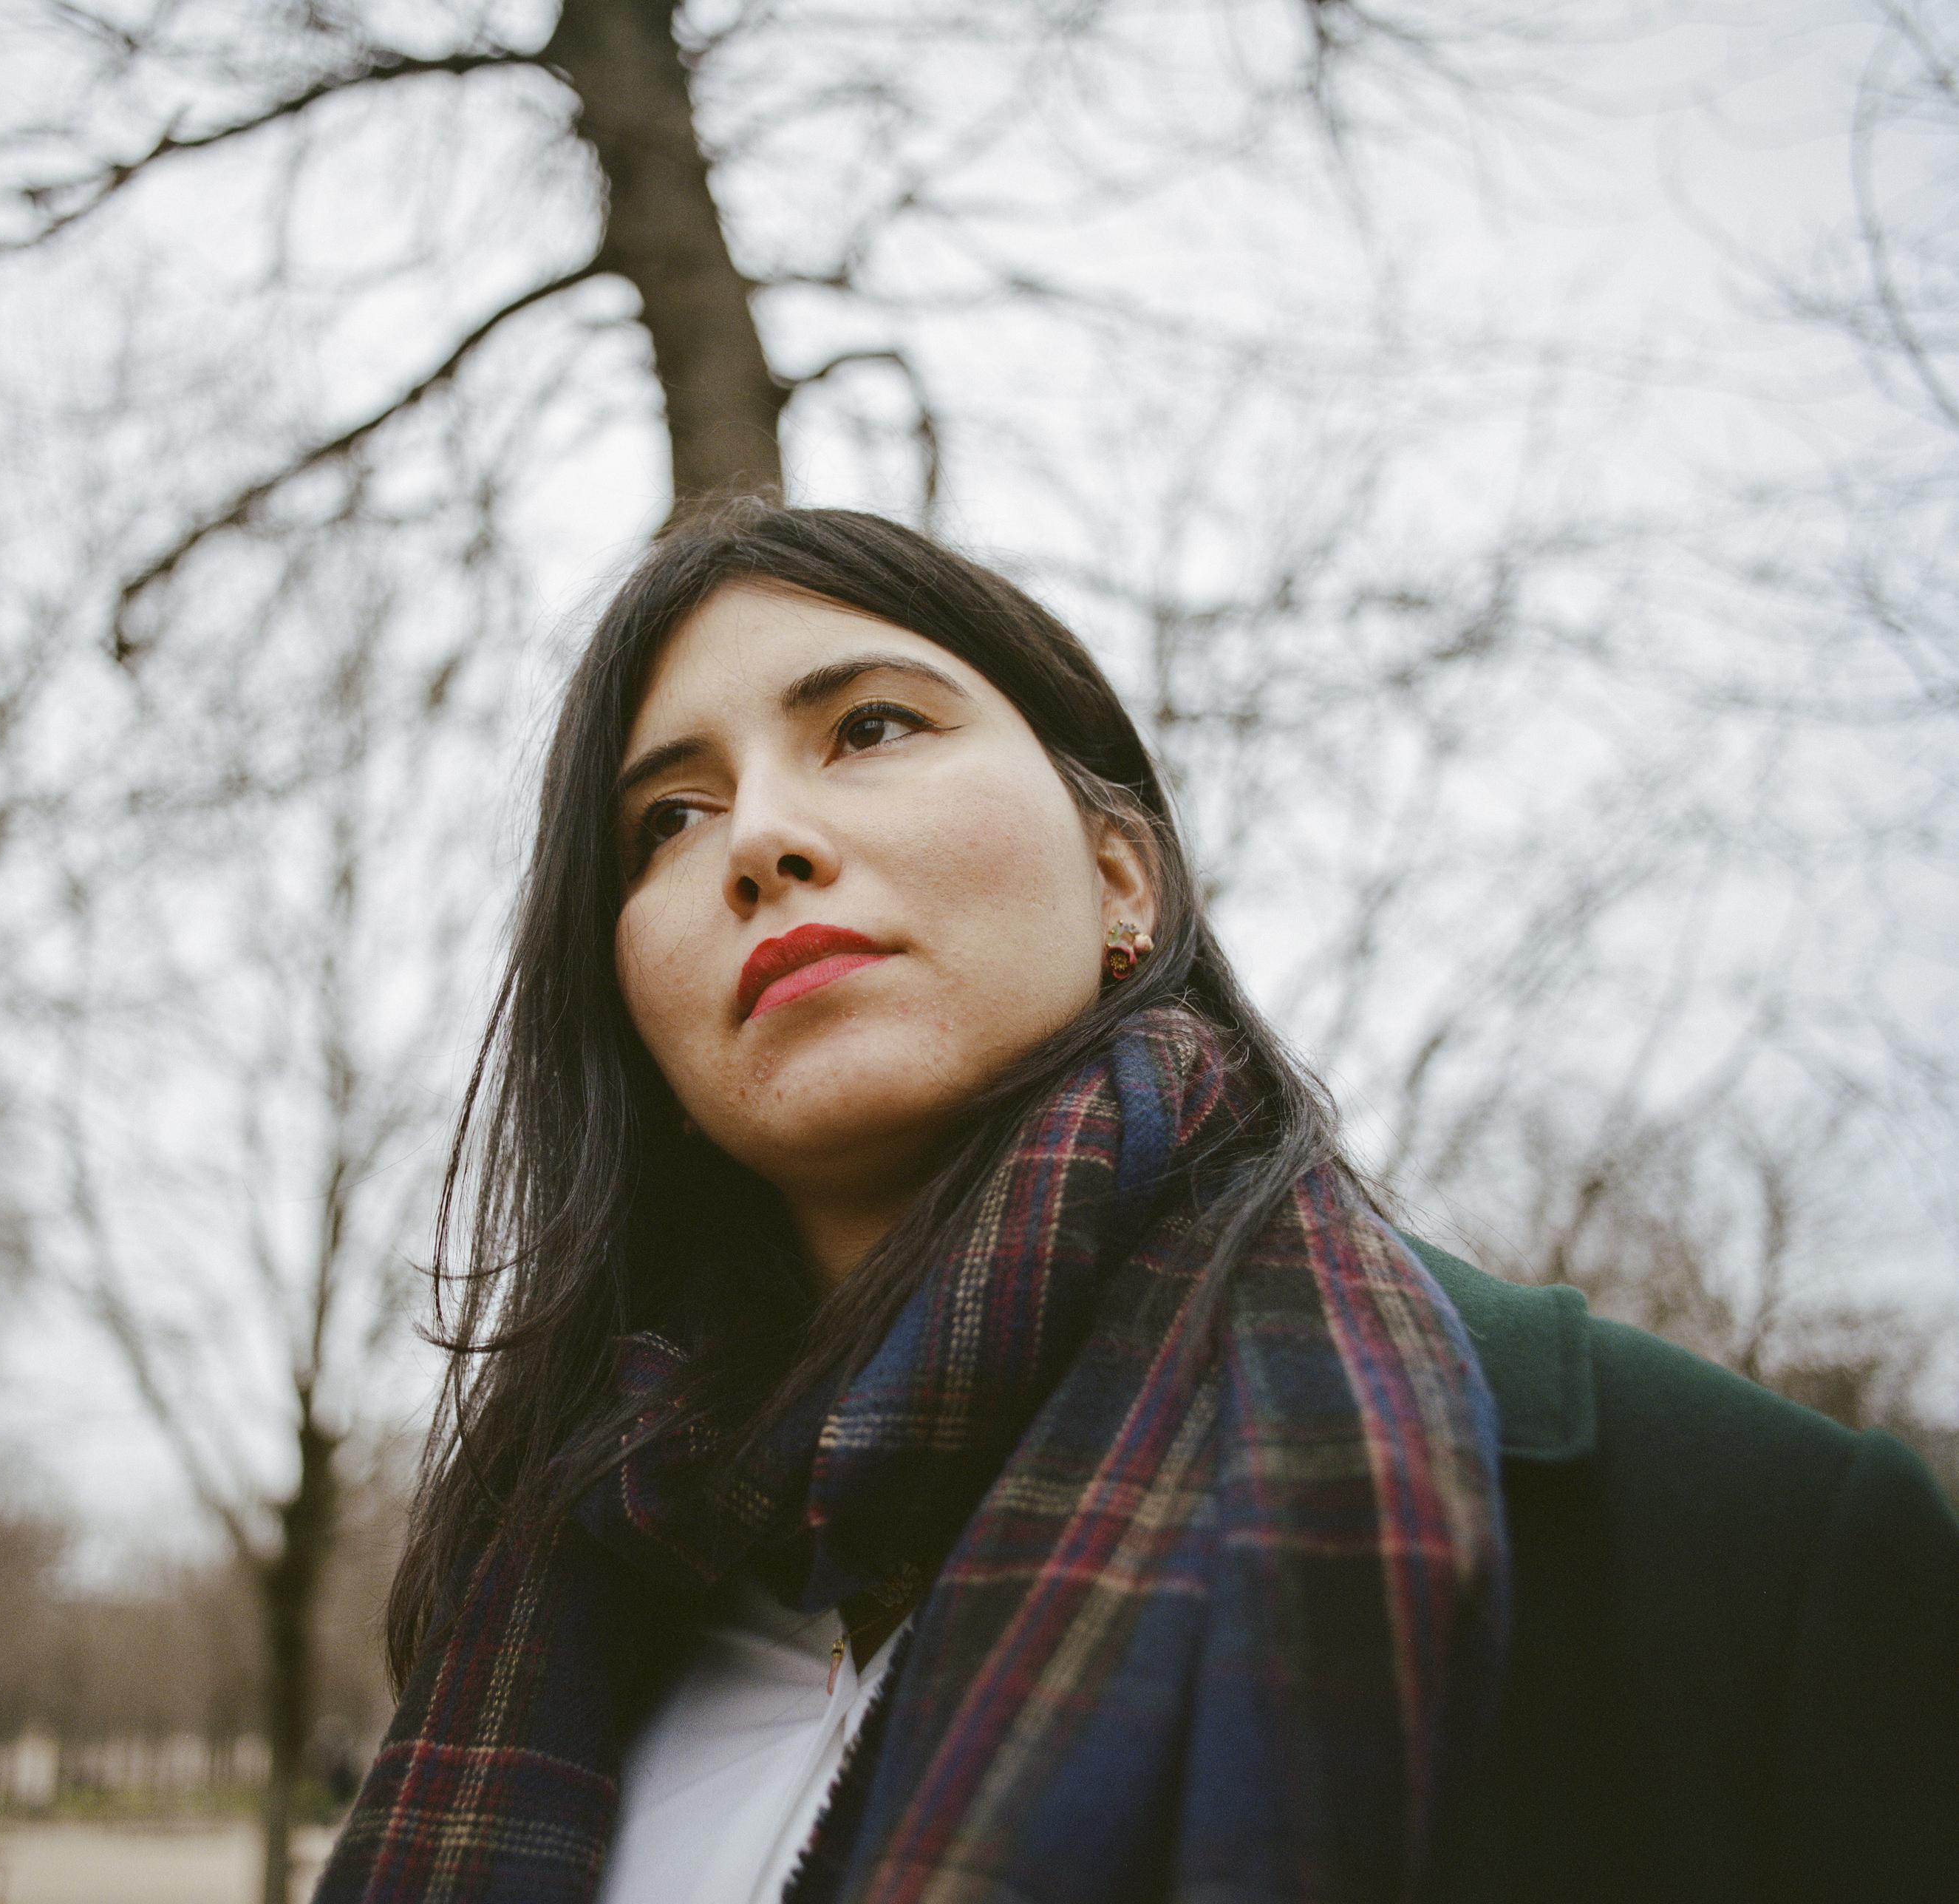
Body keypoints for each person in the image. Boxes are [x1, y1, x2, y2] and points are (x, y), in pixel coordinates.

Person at [312, 505, 1959, 1904]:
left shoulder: (1744, 1557)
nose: (760, 836)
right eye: (665, 818)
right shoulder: (546, 1601)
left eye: (868, 726)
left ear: (1122, 879)